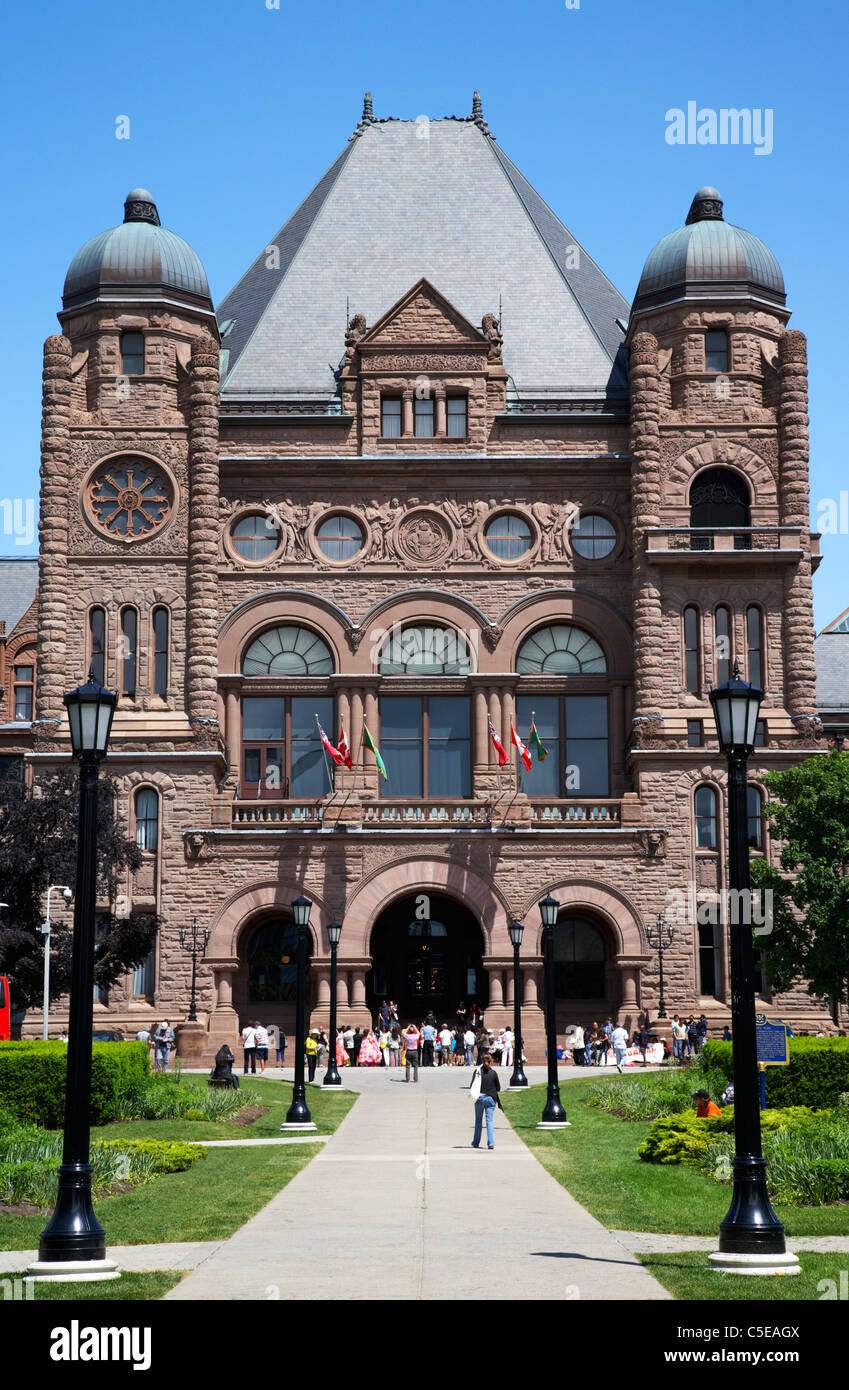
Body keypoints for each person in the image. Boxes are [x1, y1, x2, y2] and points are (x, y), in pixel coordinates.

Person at [470, 1053, 502, 1150]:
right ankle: (491, 1143)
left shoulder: (477, 1072)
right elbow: (498, 1088)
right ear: (490, 1061)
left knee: (478, 1121)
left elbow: (472, 1085)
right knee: (489, 1121)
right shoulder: (493, 1073)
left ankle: (476, 1142)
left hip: (479, 1098)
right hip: (490, 1098)